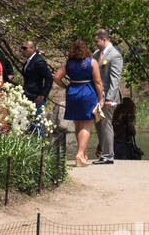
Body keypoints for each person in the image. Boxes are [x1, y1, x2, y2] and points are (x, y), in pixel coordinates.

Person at [54, 37, 104, 167]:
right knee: (87, 124)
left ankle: (84, 152)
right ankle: (80, 154)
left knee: (77, 124)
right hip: (88, 92)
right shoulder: (92, 62)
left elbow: (56, 78)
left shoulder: (68, 63)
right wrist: (100, 98)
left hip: (72, 92)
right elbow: (98, 82)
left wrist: (65, 86)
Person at [92, 28, 123, 165]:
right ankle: (104, 154)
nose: (95, 44)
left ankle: (109, 156)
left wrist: (109, 98)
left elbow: (115, 79)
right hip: (98, 96)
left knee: (105, 124)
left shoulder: (115, 55)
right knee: (99, 125)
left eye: (97, 41)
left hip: (109, 98)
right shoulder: (96, 54)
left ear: (105, 39)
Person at [19, 39, 54, 137]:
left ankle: (40, 150)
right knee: (29, 124)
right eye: (21, 48)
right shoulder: (28, 61)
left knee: (37, 124)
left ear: (32, 49)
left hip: (36, 97)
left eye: (24, 48)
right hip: (28, 96)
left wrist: (43, 95)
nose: (22, 50)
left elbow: (49, 78)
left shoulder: (39, 61)